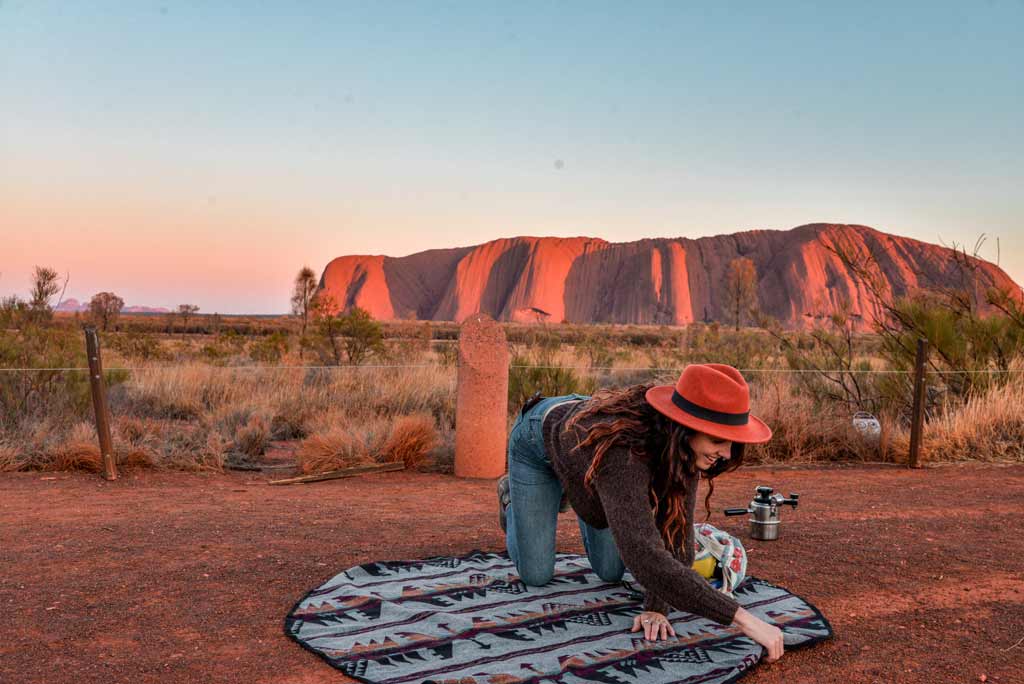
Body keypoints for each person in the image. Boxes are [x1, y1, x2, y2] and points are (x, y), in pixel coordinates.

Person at [497, 363, 785, 663]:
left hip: (587, 454)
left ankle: (577, 485)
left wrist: (656, 607)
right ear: (685, 427)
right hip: (537, 440)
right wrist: (744, 620)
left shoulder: (684, 451)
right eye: (717, 439)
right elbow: (644, 555)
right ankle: (512, 499)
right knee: (537, 574)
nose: (726, 453)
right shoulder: (622, 454)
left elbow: (677, 542)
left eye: (731, 441)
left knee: (610, 571)